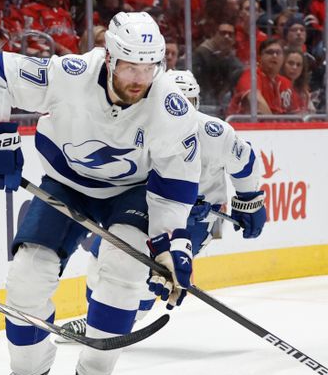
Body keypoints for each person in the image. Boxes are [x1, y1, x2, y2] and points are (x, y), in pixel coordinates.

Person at [0, 12, 205, 375]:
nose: (140, 78)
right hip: (65, 184)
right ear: (109, 58)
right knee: (27, 275)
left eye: (150, 67)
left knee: (123, 273)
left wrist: (172, 246)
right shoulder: (70, 74)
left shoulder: (171, 106)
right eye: (131, 66)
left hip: (131, 193)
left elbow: (174, 187)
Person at [59, 69, 266, 339]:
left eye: (187, 102)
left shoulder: (214, 133)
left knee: (151, 277)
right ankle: (96, 318)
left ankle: (122, 321)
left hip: (193, 223)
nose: (180, 110)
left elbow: (245, 162)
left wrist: (248, 201)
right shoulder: (142, 125)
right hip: (146, 207)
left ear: (197, 103)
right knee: (103, 254)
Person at [227, 38, 294, 115]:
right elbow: (257, 102)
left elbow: (297, 111)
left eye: (278, 53)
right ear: (259, 57)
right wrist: (274, 125)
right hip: (243, 125)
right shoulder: (251, 75)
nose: (274, 56)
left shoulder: (285, 82)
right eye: (270, 52)